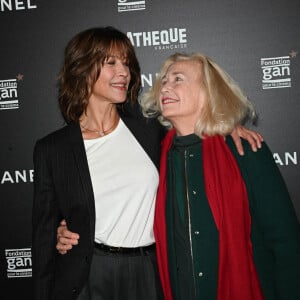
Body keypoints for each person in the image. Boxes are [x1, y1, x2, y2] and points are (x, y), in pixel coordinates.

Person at [33, 26, 262, 300]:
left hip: (148, 271)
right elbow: (44, 236)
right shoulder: (52, 149)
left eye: (127, 64)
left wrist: (228, 127)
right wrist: (62, 229)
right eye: (112, 63)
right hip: (89, 275)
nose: (124, 73)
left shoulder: (148, 127)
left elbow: (194, 125)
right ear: (82, 68)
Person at [140, 52, 300, 300]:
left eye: (178, 79)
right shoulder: (155, 158)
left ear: (208, 92)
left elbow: (285, 243)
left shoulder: (244, 150)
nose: (166, 87)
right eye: (164, 81)